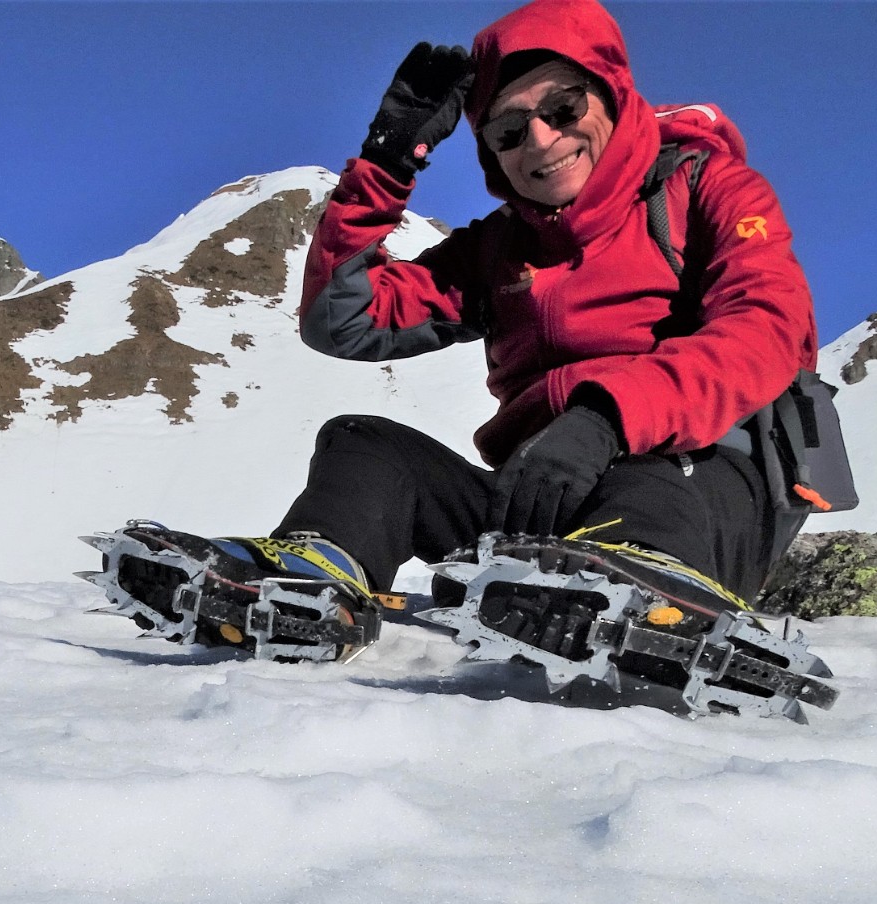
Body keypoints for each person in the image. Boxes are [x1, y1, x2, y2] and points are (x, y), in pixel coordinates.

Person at [87, 0, 834, 669]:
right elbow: (342, 318)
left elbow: (768, 329)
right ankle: (307, 584)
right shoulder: (498, 250)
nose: (541, 139)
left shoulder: (705, 187)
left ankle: (641, 594)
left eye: (563, 106)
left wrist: (606, 418)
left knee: (653, 476)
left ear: (610, 92)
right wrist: (386, 161)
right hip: (541, 511)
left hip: (700, 491)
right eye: (508, 130)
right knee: (365, 444)